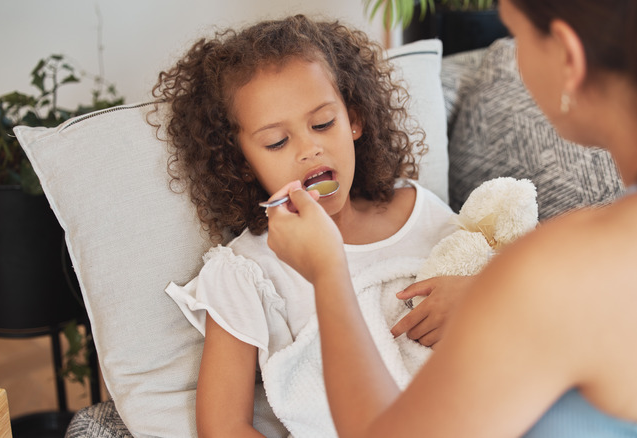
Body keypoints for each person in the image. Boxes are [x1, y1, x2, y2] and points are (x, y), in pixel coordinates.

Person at [265, 1, 637, 437]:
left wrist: (329, 273)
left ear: (570, 59)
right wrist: (496, 303)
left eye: (516, 34)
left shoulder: (558, 271)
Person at [153, 15, 465, 437]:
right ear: (242, 164)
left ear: (354, 120)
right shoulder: (247, 271)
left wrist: (477, 295)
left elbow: (499, 286)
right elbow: (223, 427)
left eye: (322, 124)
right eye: (277, 142)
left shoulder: (417, 207)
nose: (310, 147)